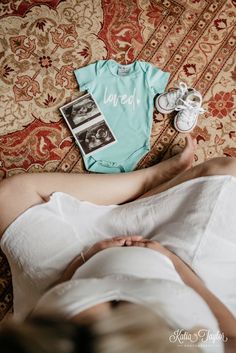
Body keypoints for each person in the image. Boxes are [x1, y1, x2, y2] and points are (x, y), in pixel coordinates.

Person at [0, 135, 236, 353]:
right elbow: (230, 337)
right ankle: (148, 195)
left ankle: (147, 183)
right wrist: (175, 264)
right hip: (184, 271)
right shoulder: (193, 341)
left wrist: (82, 262)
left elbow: (35, 316)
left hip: (79, 263)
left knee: (8, 198)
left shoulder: (42, 341)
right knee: (227, 172)